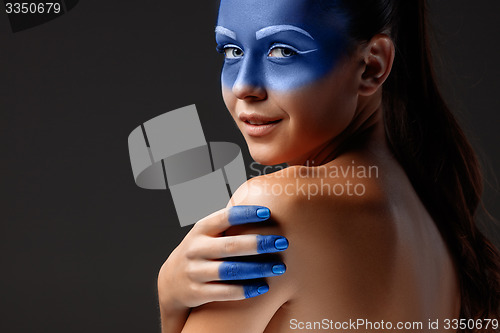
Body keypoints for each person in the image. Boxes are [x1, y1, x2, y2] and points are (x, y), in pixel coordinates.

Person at [157, 0, 500, 332]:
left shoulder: (277, 210)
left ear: (372, 65)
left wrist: (169, 302)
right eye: (231, 51)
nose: (244, 85)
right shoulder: (436, 219)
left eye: (282, 51)